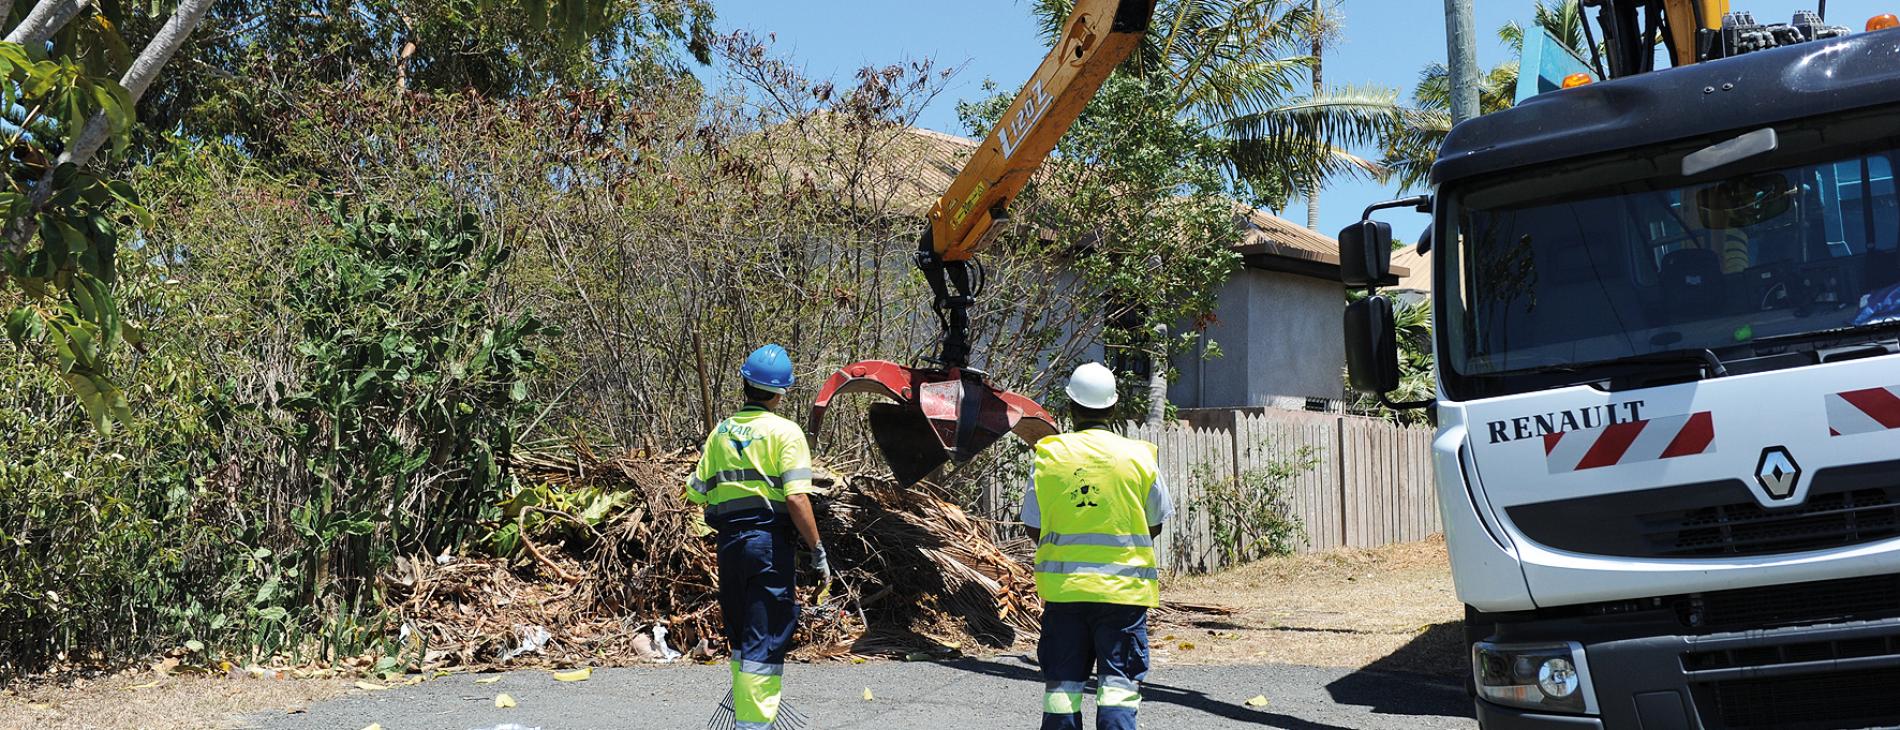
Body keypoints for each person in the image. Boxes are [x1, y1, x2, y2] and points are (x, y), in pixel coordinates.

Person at [685, 344, 829, 730]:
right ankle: (754, 725)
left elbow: (695, 491)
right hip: (768, 545)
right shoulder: (786, 432)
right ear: (781, 391)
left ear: (745, 383)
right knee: (763, 640)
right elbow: (797, 497)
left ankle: (748, 720)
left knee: (742, 637)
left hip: (730, 546)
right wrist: (817, 549)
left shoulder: (720, 433)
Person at [1021, 362, 1171, 730]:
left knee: (1062, 691)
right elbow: (1155, 522)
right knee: (1118, 689)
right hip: (1123, 597)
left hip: (1065, 595)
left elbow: (1033, 525)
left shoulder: (1049, 456)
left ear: (1070, 407)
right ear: (1114, 406)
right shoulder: (1138, 456)